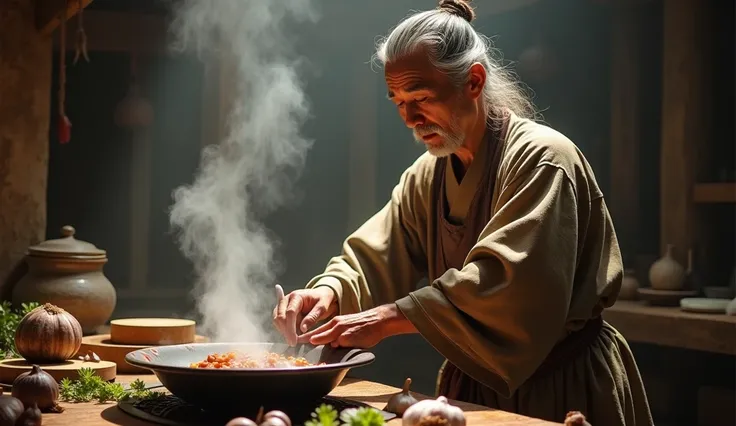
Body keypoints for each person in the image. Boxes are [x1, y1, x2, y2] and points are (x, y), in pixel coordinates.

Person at [273, 1, 654, 424]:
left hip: (563, 386)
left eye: (420, 97)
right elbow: (374, 255)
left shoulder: (544, 159)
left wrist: (384, 319)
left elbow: (509, 284)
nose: (410, 118)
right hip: (473, 387)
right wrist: (328, 293)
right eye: (398, 101)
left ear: (474, 81)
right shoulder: (428, 175)